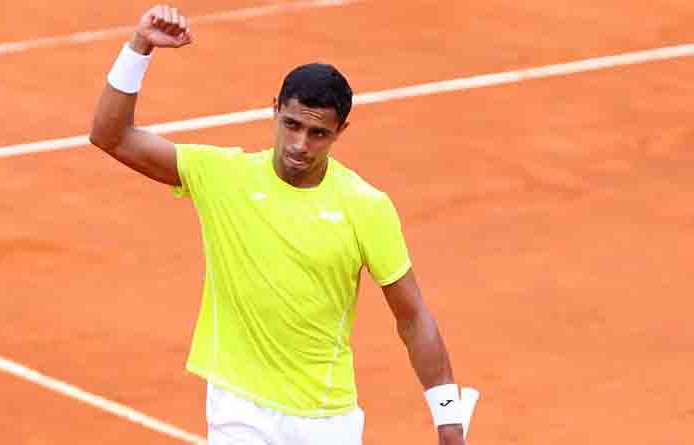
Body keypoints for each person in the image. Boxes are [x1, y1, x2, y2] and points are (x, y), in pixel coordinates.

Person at [89, 5, 469, 445]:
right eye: (291, 125)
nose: (299, 145)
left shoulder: (365, 206)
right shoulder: (223, 177)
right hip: (239, 406)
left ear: (341, 131)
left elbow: (413, 316)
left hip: (327, 419)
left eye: (317, 133)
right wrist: (140, 47)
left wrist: (449, 418)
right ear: (274, 111)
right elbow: (110, 135)